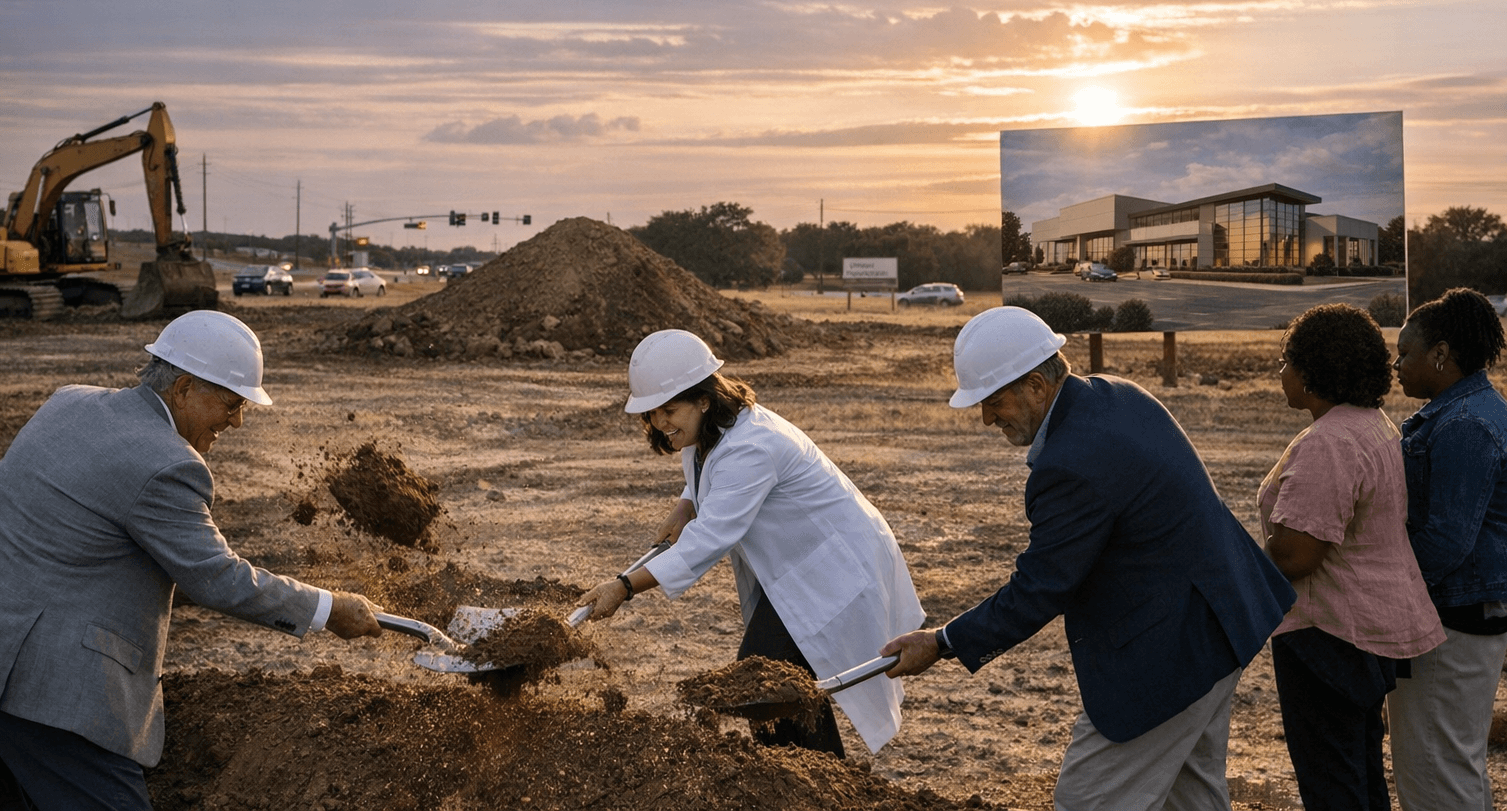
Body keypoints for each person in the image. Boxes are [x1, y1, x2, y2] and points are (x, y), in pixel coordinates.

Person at [882, 306, 1296, 810]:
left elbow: (1041, 588)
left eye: (993, 402)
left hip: (1169, 653)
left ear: (1036, 385)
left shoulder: (1071, 462)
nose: (988, 418)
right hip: (1219, 622)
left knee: (1086, 800)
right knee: (1189, 798)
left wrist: (943, 642)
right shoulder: (1116, 394)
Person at [0, 310, 384, 811]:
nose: (237, 421)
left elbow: (83, 538)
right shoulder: (167, 463)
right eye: (232, 403)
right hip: (51, 691)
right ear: (184, 388)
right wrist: (328, 609)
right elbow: (217, 577)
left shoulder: (69, 402)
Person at [579, 329, 924, 756]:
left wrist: (625, 585)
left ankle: (813, 775)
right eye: (652, 413)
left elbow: (709, 538)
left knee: (762, 682)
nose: (660, 423)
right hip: (805, 570)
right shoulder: (713, 432)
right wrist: (686, 504)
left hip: (837, 570)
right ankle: (808, 772)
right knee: (774, 685)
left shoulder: (752, 446)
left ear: (704, 399)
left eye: (669, 410)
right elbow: (711, 477)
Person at [1259, 303, 1443, 811]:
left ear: (1312, 371)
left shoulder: (1330, 443)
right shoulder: (1369, 423)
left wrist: (1242, 560)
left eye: (1286, 362)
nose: (1281, 372)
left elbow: (1297, 555)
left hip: (1328, 635)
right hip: (1364, 631)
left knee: (1333, 786)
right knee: (1359, 776)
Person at [1386, 287, 1507, 810]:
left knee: (1434, 778)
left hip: (1449, 623)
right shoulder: (1467, 412)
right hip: (1458, 617)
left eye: (1404, 353)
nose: (1396, 366)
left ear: (1440, 353)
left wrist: (1381, 585)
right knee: (1454, 769)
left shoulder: (1464, 425)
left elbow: (1446, 541)